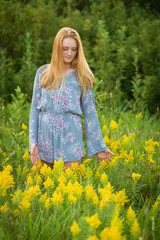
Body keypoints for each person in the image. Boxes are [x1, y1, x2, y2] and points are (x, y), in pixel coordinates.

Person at [29, 27, 115, 170]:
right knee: (44, 189)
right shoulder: (42, 73)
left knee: (68, 189)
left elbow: (90, 115)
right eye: (65, 48)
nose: (70, 53)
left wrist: (100, 148)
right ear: (57, 48)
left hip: (70, 144)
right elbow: (34, 110)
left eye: (74, 49)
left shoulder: (82, 77)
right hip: (43, 144)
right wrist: (33, 142)